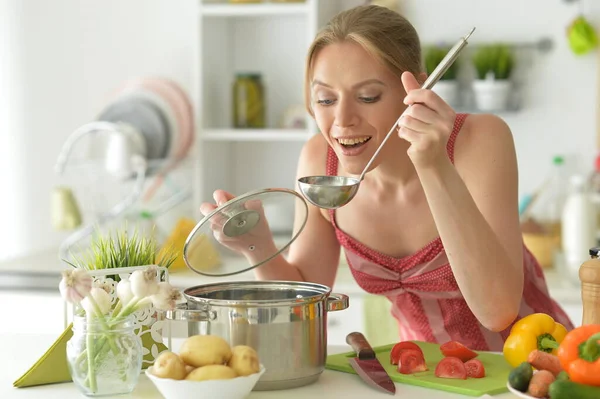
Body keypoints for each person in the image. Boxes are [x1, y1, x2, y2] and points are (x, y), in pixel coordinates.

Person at [200, 4, 573, 350]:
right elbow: (301, 310)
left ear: (417, 93)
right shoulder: (320, 161)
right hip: (428, 379)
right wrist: (258, 246)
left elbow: (498, 310)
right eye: (326, 100)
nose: (342, 120)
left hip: (536, 367)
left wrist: (432, 164)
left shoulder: (479, 141)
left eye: (368, 97)